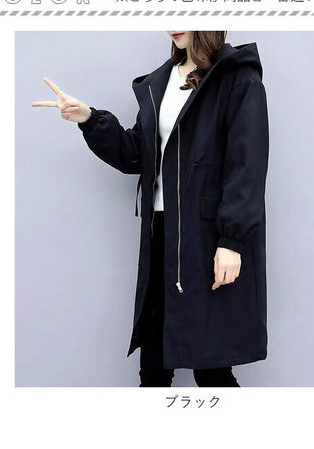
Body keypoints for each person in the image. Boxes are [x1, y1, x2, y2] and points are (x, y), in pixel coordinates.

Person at [32, 31, 269, 387]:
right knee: (153, 365)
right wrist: (89, 119)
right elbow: (136, 155)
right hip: (162, 233)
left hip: (207, 238)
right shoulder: (162, 82)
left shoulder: (238, 78)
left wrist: (231, 242)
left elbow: (246, 166)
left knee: (212, 367)